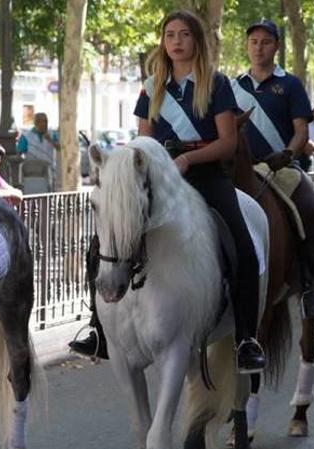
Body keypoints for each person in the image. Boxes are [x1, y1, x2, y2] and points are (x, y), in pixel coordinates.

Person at [71, 10, 265, 373]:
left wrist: (190, 160)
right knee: (102, 242)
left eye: (184, 35)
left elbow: (227, 142)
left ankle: (246, 339)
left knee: (243, 245)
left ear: (197, 41)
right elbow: (144, 140)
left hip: (206, 177)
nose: (176, 41)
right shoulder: (151, 86)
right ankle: (98, 328)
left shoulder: (217, 84)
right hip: (159, 181)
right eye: (169, 35)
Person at [230, 18, 314, 319]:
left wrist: (287, 153)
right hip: (240, 170)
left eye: (266, 42)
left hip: (280, 168)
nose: (259, 47)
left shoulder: (290, 84)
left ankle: (311, 286)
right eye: (254, 41)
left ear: (276, 46)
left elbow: (301, 131)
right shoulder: (232, 86)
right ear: (247, 46)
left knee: (311, 207)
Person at [16, 112, 59, 185]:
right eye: (40, 121)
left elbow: (59, 148)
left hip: (49, 171)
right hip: (33, 172)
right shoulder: (26, 136)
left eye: (45, 121)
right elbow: (19, 153)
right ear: (35, 123)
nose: (43, 124)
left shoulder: (52, 134)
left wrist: (50, 140)